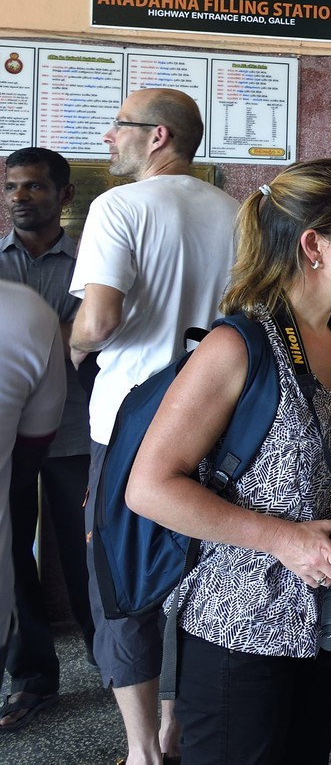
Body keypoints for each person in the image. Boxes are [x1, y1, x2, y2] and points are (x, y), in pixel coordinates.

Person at [125, 160, 331, 765]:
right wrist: (283, 539)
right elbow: (149, 487)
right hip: (240, 627)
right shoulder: (238, 346)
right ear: (314, 245)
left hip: (322, 624)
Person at [69, 88, 240, 765]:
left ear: (159, 136)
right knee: (194, 573)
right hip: (215, 424)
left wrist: (74, 344)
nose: (109, 137)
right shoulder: (236, 213)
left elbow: (100, 320)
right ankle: (176, 729)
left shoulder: (119, 208)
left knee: (120, 581)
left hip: (130, 429)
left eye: (119, 126)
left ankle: (142, 752)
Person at [1, 148, 96, 732]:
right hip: (10, 439)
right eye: (12, 186)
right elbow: (68, 338)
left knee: (88, 555)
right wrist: (60, 332)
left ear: (63, 197)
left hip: (78, 432)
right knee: (11, 562)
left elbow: (99, 335)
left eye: (34, 187)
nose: (19, 197)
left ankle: (111, 664)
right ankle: (33, 678)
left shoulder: (92, 263)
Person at [0, 283, 67, 733]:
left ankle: (38, 673)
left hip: (78, 439)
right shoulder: (25, 311)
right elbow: (25, 456)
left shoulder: (26, 309)